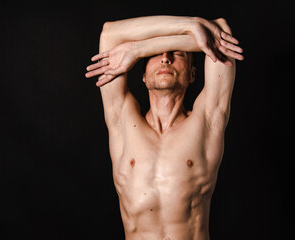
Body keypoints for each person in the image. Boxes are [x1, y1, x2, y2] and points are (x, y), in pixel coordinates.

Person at [85, 15, 244, 240]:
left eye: (178, 53)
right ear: (141, 74)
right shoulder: (121, 119)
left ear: (192, 74)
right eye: (154, 56)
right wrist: (189, 26)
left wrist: (142, 48)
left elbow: (223, 32)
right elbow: (109, 33)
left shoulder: (208, 120)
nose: (165, 59)